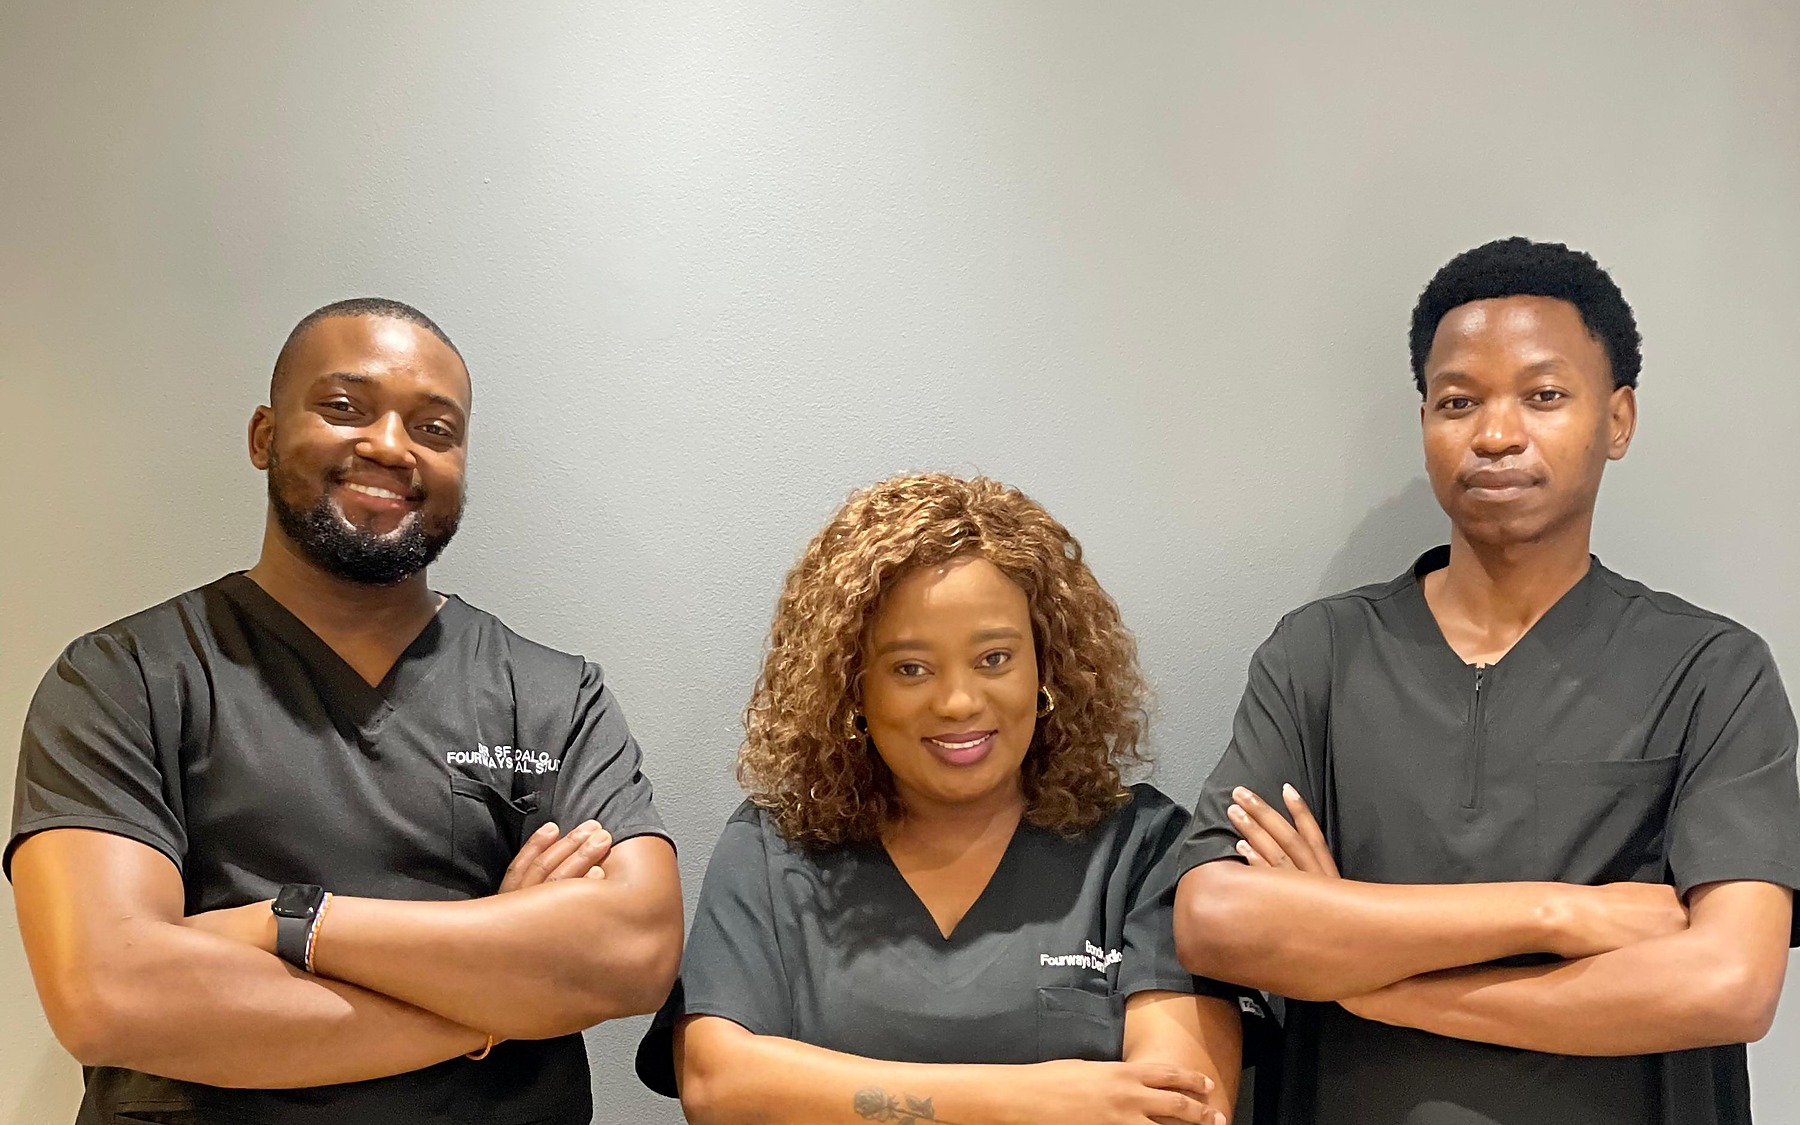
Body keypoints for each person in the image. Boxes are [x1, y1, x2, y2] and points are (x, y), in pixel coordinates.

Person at [8, 298, 683, 1125]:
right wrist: (497, 995)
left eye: (435, 428)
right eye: (345, 408)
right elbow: (108, 993)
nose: (392, 445)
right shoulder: (123, 680)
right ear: (263, 435)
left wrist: (288, 925)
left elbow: (635, 952)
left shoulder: (552, 693)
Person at [1173, 237, 1800, 1125]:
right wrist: (1557, 915)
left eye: (1544, 395)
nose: (1497, 434)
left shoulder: (1711, 670)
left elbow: (1728, 982)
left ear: (1617, 420)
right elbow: (1217, 920)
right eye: (1457, 401)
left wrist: (1366, 976)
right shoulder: (1322, 652)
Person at [636, 473, 1269, 1125]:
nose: (959, 701)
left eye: (994, 657)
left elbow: (1180, 1108)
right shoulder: (772, 849)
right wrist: (1038, 1098)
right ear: (854, 689)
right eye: (911, 667)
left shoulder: (1142, 850)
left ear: (1046, 667)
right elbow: (718, 1084)